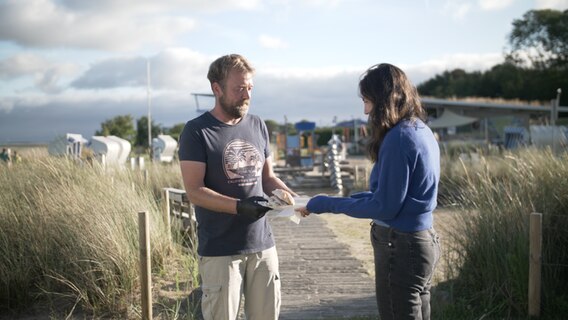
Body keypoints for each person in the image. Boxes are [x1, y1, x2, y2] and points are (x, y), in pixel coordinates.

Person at [297, 63, 441, 320]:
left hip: (402, 246)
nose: (365, 110)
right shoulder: (421, 130)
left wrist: (325, 204)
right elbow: (394, 197)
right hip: (422, 242)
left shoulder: (398, 138)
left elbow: (384, 207)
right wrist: (345, 200)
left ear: (384, 99)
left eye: (367, 101)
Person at [178, 54, 295, 320]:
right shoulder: (196, 132)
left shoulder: (257, 125)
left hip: (263, 246)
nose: (246, 95)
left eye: (249, 88)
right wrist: (239, 207)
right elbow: (194, 191)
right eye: (238, 88)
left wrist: (295, 200)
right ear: (216, 88)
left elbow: (267, 179)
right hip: (221, 251)